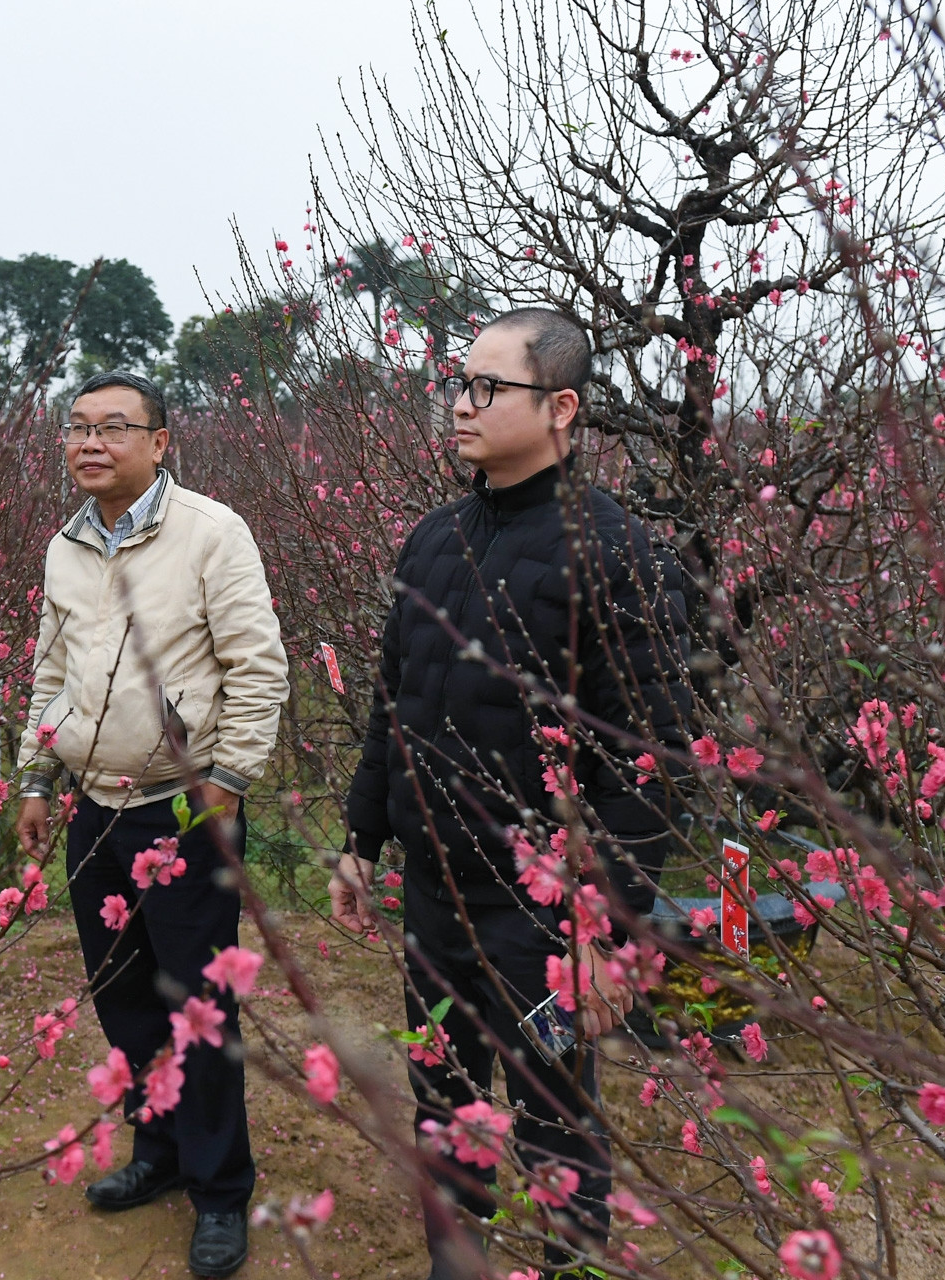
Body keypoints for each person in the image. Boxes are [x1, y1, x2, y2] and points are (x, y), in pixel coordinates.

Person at [331, 309, 692, 1279]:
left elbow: (652, 768)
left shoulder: (621, 555)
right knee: (445, 1105)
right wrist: (362, 837)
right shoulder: (431, 540)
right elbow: (393, 701)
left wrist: (611, 930)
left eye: (489, 387)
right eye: (460, 382)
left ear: (562, 407)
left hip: (546, 925)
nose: (462, 402)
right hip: (435, 900)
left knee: (557, 1122)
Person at [14, 370, 289, 1279]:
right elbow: (52, 673)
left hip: (182, 809)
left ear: (161, 442)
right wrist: (34, 776)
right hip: (93, 807)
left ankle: (219, 1192)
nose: (90, 443)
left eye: (114, 428)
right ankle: (160, 1152)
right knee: (123, 995)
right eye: (77, 428)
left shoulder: (211, 532)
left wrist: (229, 782)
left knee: (200, 1006)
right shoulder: (65, 544)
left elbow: (258, 667)